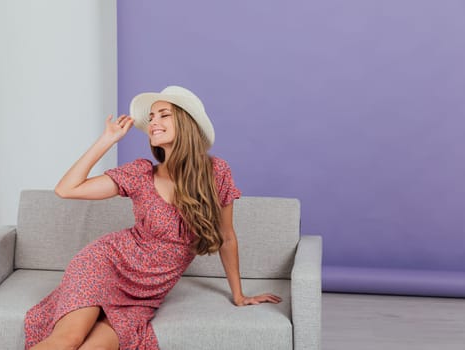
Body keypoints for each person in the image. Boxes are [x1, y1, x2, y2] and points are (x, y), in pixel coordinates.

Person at [24, 86, 282, 350]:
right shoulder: (141, 174)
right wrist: (107, 140)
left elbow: (227, 237)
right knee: (68, 341)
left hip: (144, 295)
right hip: (105, 264)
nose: (153, 122)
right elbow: (67, 189)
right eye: (151, 117)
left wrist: (238, 295)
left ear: (185, 123)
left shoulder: (216, 173)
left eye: (163, 115)